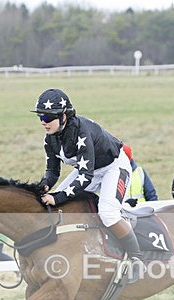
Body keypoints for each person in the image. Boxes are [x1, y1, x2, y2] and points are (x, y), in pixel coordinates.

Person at [33, 88, 145, 272]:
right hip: (90, 169)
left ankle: (137, 258)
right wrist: (41, 189)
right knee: (55, 206)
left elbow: (85, 177)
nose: (43, 123)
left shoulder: (81, 132)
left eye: (47, 118)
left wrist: (58, 196)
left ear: (63, 116)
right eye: (40, 117)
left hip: (113, 167)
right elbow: (52, 172)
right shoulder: (49, 139)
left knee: (108, 213)